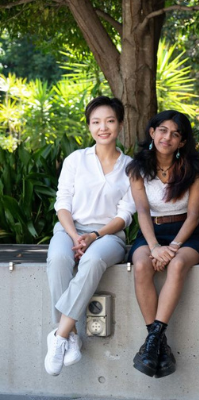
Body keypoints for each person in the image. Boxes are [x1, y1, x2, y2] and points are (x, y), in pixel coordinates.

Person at [45, 96, 136, 376]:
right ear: (89, 127)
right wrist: (74, 236)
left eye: (109, 121)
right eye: (96, 122)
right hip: (70, 229)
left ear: (120, 125)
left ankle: (59, 336)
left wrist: (94, 236)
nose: (103, 127)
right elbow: (63, 203)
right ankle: (71, 336)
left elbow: (126, 214)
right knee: (60, 257)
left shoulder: (130, 167)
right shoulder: (76, 160)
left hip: (108, 237)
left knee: (93, 261)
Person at [126, 110, 199, 378]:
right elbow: (142, 212)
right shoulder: (137, 168)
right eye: (163, 130)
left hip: (188, 233)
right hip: (151, 231)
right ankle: (158, 342)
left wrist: (172, 247)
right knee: (141, 266)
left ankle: (152, 341)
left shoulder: (195, 167)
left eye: (176, 134)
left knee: (176, 266)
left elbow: (195, 215)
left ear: (182, 142)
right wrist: (154, 248)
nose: (168, 137)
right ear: (152, 133)